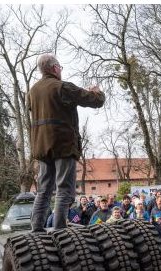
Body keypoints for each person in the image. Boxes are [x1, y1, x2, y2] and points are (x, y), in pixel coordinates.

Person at [28, 54, 105, 232]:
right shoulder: (62, 87)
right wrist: (97, 91)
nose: (60, 71)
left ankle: (36, 228)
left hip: (41, 147)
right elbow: (95, 101)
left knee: (44, 189)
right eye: (60, 68)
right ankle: (60, 229)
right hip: (62, 146)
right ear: (55, 68)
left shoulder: (33, 91)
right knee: (64, 189)